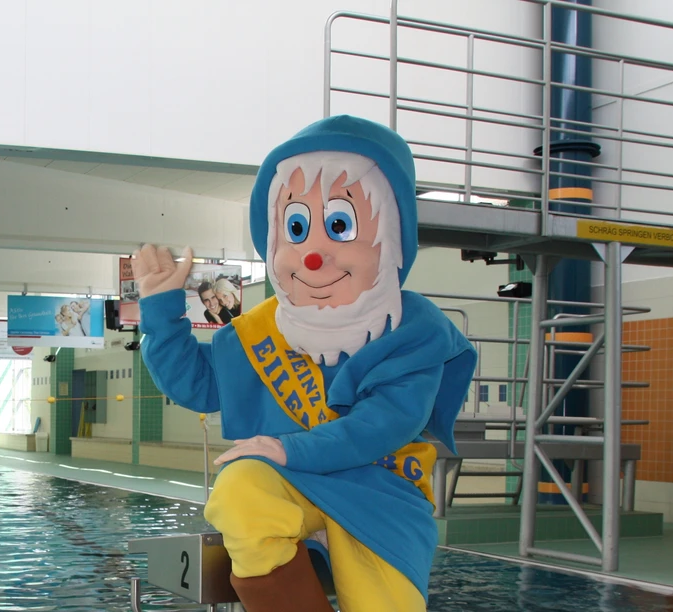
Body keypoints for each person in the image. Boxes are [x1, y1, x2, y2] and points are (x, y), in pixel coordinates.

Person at [130, 115, 475, 612]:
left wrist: (286, 449)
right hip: (288, 482)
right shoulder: (261, 329)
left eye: (341, 226)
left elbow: (384, 424)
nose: (313, 255)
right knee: (240, 488)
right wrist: (161, 309)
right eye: (296, 227)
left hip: (378, 488)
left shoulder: (415, 330)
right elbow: (198, 386)